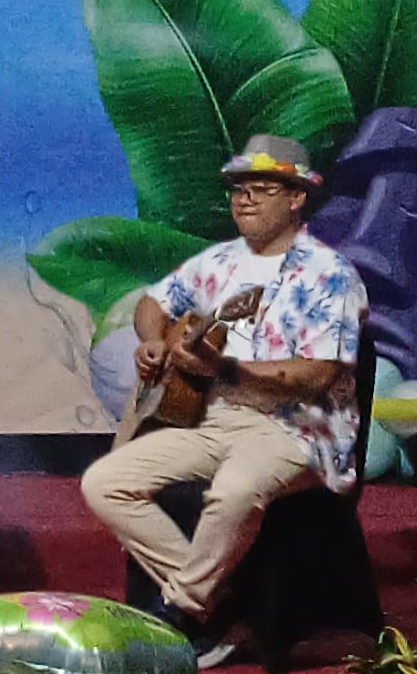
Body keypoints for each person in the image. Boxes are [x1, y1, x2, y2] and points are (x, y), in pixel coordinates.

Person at [79, 133, 366, 642]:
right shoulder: (218, 262)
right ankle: (218, 600)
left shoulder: (330, 275)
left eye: (261, 189)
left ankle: (183, 609)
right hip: (212, 417)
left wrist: (230, 370)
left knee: (233, 492)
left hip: (295, 428)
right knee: (103, 483)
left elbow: (319, 374)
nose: (244, 199)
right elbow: (153, 303)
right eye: (238, 189)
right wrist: (154, 341)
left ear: (296, 197)